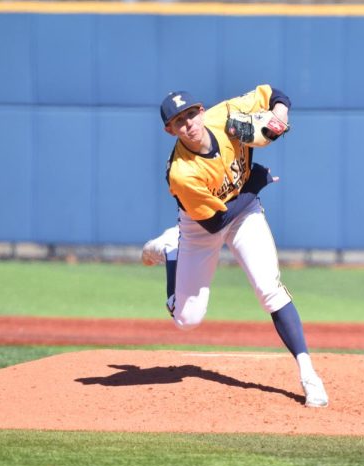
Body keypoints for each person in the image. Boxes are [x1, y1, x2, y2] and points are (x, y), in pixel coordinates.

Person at [141, 85, 329, 408]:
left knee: (269, 289)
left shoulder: (227, 114)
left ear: (201, 111)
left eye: (191, 114)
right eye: (178, 121)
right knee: (187, 319)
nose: (188, 123)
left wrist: (279, 116)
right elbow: (215, 222)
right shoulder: (182, 173)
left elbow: (275, 94)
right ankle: (173, 249)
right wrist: (256, 182)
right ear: (169, 130)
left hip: (244, 213)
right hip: (201, 226)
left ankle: (309, 374)